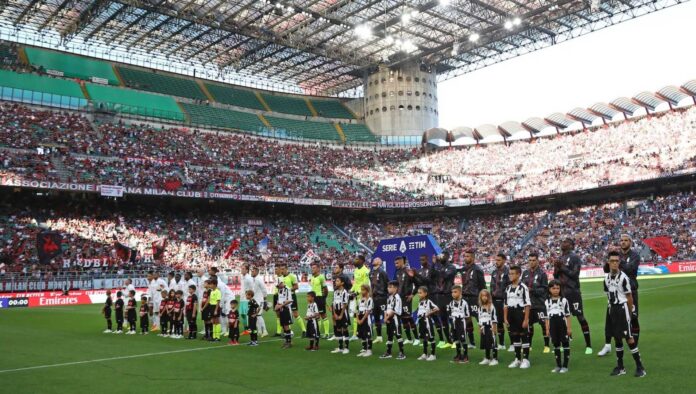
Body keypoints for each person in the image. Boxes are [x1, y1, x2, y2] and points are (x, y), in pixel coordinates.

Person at [604, 251, 646, 377]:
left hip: (623, 310)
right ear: (608, 262)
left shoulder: (624, 278)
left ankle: (640, 367)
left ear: (619, 263)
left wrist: (630, 311)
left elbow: (629, 297)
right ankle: (620, 367)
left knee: (629, 338)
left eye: (617, 261)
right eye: (612, 261)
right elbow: (608, 295)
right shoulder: (606, 278)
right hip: (613, 310)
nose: (615, 263)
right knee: (617, 338)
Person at [599, 234, 642, 356]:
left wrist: (617, 260)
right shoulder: (615, 255)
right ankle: (607, 345)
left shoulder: (635, 255)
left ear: (630, 242)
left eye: (626, 240)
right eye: (621, 240)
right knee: (610, 318)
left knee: (633, 317)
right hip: (616, 291)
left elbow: (631, 269)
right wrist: (610, 260)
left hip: (630, 290)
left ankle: (634, 343)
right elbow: (606, 269)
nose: (623, 242)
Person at [554, 238, 592, 354]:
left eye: (565, 242)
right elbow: (556, 276)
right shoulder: (560, 258)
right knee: (562, 318)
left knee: (580, 317)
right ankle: (564, 343)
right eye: (562, 241)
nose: (562, 243)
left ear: (571, 245)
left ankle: (589, 346)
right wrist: (556, 268)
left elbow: (575, 275)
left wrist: (562, 267)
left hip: (573, 292)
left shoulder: (575, 257)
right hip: (562, 293)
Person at [504, 266, 531, 369]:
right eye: (509, 274)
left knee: (523, 336)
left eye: (512, 273)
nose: (510, 275)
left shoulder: (523, 287)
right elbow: (505, 304)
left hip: (521, 313)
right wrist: (505, 318)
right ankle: (517, 359)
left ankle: (526, 360)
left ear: (518, 274)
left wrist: (526, 319)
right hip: (511, 314)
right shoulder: (508, 288)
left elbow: (527, 304)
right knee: (514, 336)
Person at [522, 252, 549, 353]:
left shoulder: (542, 274)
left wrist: (532, 290)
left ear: (537, 261)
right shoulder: (525, 273)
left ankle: (546, 345)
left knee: (543, 324)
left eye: (533, 260)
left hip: (540, 304)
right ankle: (529, 345)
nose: (531, 262)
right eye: (530, 260)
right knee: (529, 325)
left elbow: (545, 289)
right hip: (529, 305)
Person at [410, 254, 438, 347]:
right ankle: (426, 338)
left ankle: (441, 339)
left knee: (434, 317)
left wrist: (416, 274)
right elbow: (419, 284)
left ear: (427, 259)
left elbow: (428, 281)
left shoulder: (431, 269)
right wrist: (413, 277)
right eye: (420, 260)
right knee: (423, 318)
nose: (421, 261)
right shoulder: (420, 270)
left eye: (423, 260)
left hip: (432, 295)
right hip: (423, 297)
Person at [460, 250, 486, 347]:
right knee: (467, 319)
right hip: (465, 298)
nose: (465, 258)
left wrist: (482, 299)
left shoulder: (477, 270)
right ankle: (471, 342)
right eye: (465, 256)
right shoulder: (463, 269)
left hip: (475, 298)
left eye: (467, 256)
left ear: (473, 258)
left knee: (480, 320)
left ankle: (484, 341)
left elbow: (483, 286)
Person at [545, 280, 571, 373]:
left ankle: (565, 366)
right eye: (553, 288)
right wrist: (547, 329)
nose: (556, 290)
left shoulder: (564, 300)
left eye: (558, 288)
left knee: (565, 343)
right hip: (552, 324)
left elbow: (568, 315)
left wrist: (569, 328)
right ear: (549, 289)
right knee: (556, 344)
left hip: (562, 324)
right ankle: (558, 365)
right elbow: (546, 317)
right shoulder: (547, 301)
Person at [434, 252, 456, 348]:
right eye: (440, 256)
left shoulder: (451, 267)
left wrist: (439, 266)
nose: (440, 257)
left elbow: (445, 276)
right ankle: (449, 341)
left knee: (452, 318)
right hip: (440, 296)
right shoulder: (439, 267)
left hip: (448, 296)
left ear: (447, 257)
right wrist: (435, 264)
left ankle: (456, 340)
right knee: (443, 320)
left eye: (442, 256)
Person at [380, 281, 406, 360]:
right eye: (388, 287)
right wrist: (386, 317)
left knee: (398, 335)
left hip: (394, 318)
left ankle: (402, 353)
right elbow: (387, 309)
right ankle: (388, 352)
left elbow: (394, 310)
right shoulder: (389, 297)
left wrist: (386, 318)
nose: (388, 288)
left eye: (390, 287)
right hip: (388, 318)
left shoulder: (397, 298)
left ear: (395, 288)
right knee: (389, 335)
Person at [394, 256, 417, 344]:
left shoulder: (408, 271)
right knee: (403, 319)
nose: (396, 265)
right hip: (399, 299)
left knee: (409, 318)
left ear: (402, 262)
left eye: (397, 263)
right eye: (395, 263)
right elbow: (396, 285)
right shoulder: (397, 272)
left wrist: (412, 294)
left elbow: (417, 283)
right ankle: (409, 339)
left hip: (406, 298)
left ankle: (417, 338)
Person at [489, 253, 510, 350]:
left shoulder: (508, 272)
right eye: (496, 260)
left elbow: (510, 286)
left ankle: (514, 343)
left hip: (505, 300)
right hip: (494, 300)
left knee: (509, 322)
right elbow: (492, 286)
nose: (496, 262)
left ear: (504, 260)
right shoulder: (494, 272)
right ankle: (501, 343)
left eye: (499, 260)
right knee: (498, 322)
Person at [280, 263, 306, 337]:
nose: (282, 270)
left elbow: (296, 286)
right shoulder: (281, 277)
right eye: (281, 269)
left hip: (291, 297)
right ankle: (288, 332)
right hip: (284, 298)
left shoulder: (292, 276)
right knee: (286, 315)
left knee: (295, 314)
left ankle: (304, 330)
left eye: (283, 269)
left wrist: (288, 290)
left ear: (286, 269)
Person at [329, 263, 353, 341]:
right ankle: (337, 334)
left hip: (343, 298)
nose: (334, 269)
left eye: (336, 267)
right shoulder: (334, 276)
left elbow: (350, 286)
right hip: (336, 297)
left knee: (343, 316)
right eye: (334, 267)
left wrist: (344, 292)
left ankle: (345, 335)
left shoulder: (345, 277)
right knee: (334, 316)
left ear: (341, 269)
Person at [447, 285, 470, 364]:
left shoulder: (464, 303)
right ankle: (458, 354)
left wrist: (464, 324)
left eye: (455, 292)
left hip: (461, 322)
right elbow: (449, 313)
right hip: (454, 323)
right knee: (456, 339)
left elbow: (467, 316)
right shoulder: (451, 303)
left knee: (463, 340)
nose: (453, 294)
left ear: (460, 292)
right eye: (452, 292)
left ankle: (466, 355)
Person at [416, 286, 439, 361]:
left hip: (427, 321)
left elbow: (437, 308)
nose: (419, 294)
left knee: (431, 337)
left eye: (420, 293)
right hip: (421, 321)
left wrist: (429, 313)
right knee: (424, 338)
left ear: (425, 293)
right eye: (418, 293)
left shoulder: (428, 302)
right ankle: (425, 354)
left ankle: (433, 354)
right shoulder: (420, 302)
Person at [369, 257, 389, 343]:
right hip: (374, 299)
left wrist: (384, 293)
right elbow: (371, 285)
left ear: (380, 263)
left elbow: (387, 283)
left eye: (376, 260)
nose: (374, 260)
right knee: (376, 318)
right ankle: (379, 336)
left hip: (382, 298)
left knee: (387, 317)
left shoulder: (382, 272)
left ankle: (390, 336)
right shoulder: (371, 272)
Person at [350, 256, 370, 340]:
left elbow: (365, 285)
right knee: (356, 314)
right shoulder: (356, 270)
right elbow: (356, 283)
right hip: (356, 295)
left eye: (357, 259)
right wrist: (351, 290)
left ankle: (366, 332)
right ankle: (356, 333)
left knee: (363, 315)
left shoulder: (366, 271)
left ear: (362, 261)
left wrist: (358, 292)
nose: (355, 260)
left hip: (362, 296)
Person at [478, 289, 499, 366]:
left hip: (490, 327)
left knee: (493, 342)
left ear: (488, 297)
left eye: (486, 296)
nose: (484, 297)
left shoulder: (491, 306)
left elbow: (494, 318)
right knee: (485, 342)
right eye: (482, 296)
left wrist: (494, 328)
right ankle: (487, 358)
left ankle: (495, 358)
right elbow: (479, 318)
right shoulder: (480, 307)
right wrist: (480, 328)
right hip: (483, 327)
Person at [330, 276, 350, 354]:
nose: (336, 282)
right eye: (336, 281)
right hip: (336, 312)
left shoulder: (345, 292)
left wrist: (341, 315)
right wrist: (334, 313)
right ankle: (340, 347)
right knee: (338, 329)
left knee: (344, 329)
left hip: (343, 312)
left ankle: (347, 348)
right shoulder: (335, 292)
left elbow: (345, 304)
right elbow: (333, 303)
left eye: (338, 281)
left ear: (342, 283)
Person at [309, 262, 330, 339]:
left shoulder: (321, 277)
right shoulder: (312, 277)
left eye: (314, 268)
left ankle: (327, 333)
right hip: (314, 299)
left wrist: (323, 298)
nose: (312, 269)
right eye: (312, 267)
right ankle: (317, 332)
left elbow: (326, 289)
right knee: (316, 316)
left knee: (323, 315)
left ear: (318, 269)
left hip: (320, 298)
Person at [250, 266, 269, 337]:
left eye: (253, 271)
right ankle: (260, 331)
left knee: (259, 315)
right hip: (256, 301)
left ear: (257, 272)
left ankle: (265, 331)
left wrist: (265, 300)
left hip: (260, 301)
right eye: (251, 271)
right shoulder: (254, 280)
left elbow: (264, 289)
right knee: (257, 316)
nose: (251, 272)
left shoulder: (259, 280)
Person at [356, 284, 373, 357]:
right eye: (361, 290)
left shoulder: (369, 299)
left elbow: (368, 311)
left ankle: (369, 350)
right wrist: (358, 319)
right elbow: (356, 310)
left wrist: (362, 319)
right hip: (360, 318)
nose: (361, 291)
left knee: (368, 334)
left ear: (367, 291)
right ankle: (364, 349)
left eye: (363, 290)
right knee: (362, 334)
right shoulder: (360, 299)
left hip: (366, 318)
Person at [275, 280, 294, 349]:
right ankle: (286, 341)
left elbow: (290, 300)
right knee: (283, 326)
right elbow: (279, 299)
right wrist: (277, 305)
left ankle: (289, 342)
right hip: (281, 309)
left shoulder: (287, 289)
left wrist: (281, 305)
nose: (278, 287)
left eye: (279, 285)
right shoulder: (280, 289)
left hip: (286, 309)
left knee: (286, 326)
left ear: (282, 283)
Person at [239, 263, 254, 335]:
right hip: (242, 298)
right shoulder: (242, 277)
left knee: (246, 314)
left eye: (243, 269)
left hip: (246, 299)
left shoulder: (249, 278)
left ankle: (249, 329)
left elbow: (252, 288)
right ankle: (246, 329)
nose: (241, 270)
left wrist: (249, 297)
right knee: (242, 314)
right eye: (241, 268)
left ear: (247, 270)